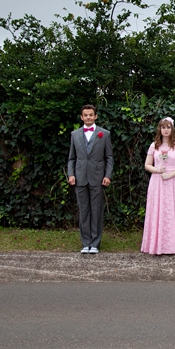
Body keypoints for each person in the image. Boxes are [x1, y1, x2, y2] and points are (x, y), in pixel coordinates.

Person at [67, 104, 114, 254]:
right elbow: (71, 158)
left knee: (96, 211)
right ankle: (85, 242)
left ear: (95, 116)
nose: (88, 117)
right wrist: (71, 174)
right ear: (81, 117)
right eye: (85, 115)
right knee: (84, 211)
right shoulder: (75, 134)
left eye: (91, 115)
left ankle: (95, 243)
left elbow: (109, 157)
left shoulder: (104, 134)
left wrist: (107, 175)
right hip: (80, 178)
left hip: (97, 178)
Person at [141, 117, 175, 255]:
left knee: (171, 210)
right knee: (157, 210)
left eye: (168, 127)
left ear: (172, 129)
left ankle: (172, 246)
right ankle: (155, 245)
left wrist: (170, 174)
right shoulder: (154, 145)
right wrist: (157, 170)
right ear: (160, 129)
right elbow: (147, 165)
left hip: (173, 182)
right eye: (163, 127)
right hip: (157, 181)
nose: (166, 130)